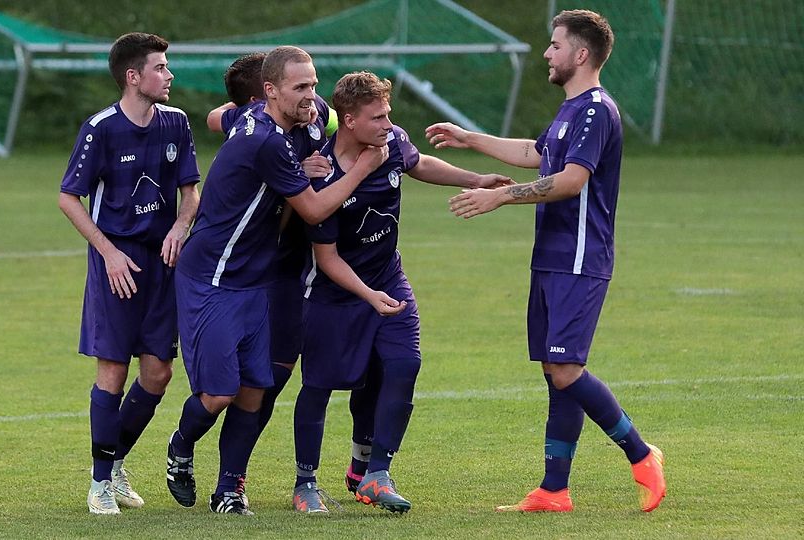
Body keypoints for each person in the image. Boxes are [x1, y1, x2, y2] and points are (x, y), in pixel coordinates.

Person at [425, 10, 666, 513]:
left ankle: (642, 455)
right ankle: (554, 490)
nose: (546, 53)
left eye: (555, 45)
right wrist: (471, 139)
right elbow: (537, 153)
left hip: (580, 257)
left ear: (581, 54)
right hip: (552, 258)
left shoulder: (597, 110)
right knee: (556, 370)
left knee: (565, 367)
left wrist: (502, 196)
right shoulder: (570, 110)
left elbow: (572, 180)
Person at [166, 46, 386, 516]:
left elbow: (218, 116)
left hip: (259, 280)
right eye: (300, 88)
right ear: (269, 92)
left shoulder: (304, 115)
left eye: (313, 84)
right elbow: (314, 209)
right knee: (221, 392)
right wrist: (362, 168)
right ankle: (180, 445)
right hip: (214, 276)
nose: (313, 97)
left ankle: (229, 489)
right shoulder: (263, 139)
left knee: (253, 389)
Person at [294, 71, 512, 514]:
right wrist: (368, 296)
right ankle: (305, 483)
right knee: (318, 386)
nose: (387, 123)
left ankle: (375, 474)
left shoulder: (390, 141)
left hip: (389, 278)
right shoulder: (321, 173)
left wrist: (475, 179)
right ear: (349, 121)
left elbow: (419, 163)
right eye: (377, 117)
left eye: (388, 114)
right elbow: (327, 257)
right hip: (335, 293)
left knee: (403, 365)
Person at [58, 32, 201, 515]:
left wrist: (181, 226)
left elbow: (190, 193)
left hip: (162, 264)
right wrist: (108, 253)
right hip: (115, 264)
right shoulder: (100, 128)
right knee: (114, 370)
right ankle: (100, 482)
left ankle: (114, 461)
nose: (170, 75)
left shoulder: (176, 124)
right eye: (161, 67)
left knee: (158, 372)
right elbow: (67, 199)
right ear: (133, 76)